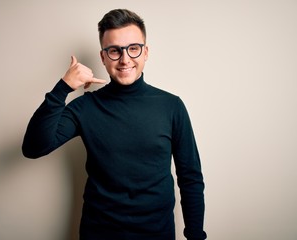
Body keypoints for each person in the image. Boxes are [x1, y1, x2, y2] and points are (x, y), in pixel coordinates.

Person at [22, 8, 207, 240]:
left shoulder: (171, 106)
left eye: (133, 48)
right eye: (114, 51)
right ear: (103, 57)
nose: (125, 59)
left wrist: (195, 235)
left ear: (146, 52)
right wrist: (63, 88)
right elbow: (33, 147)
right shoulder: (85, 107)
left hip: (157, 234)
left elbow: (190, 178)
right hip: (99, 233)